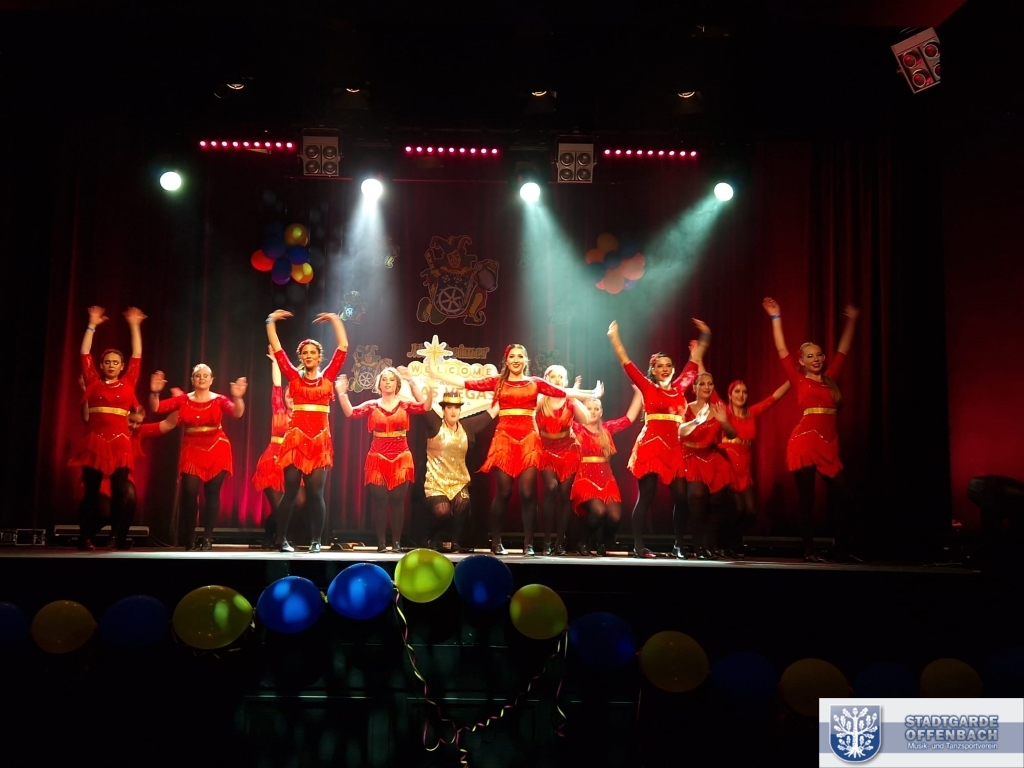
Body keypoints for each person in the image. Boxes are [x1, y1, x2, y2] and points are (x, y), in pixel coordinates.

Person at [426, 344, 601, 555]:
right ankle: (496, 541)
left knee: (527, 493)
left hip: (529, 440)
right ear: (506, 360)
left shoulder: (534, 382)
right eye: (512, 356)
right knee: (504, 491)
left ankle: (528, 544)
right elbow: (468, 383)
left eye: (520, 356)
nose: (516, 359)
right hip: (505, 440)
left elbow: (561, 391)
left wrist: (590, 393)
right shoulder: (498, 382)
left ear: (525, 360)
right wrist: (437, 373)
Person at [762, 297, 860, 562]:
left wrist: (852, 320)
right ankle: (809, 550)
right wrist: (776, 316)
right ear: (802, 361)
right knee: (807, 498)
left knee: (845, 498)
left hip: (829, 444)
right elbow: (781, 349)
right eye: (810, 356)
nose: (815, 359)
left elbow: (843, 349)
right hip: (804, 443)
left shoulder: (830, 379)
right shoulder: (798, 379)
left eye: (818, 355)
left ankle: (843, 549)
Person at [606, 319, 708, 559]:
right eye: (660, 366)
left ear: (673, 369)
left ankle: (679, 545)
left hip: (673, 449)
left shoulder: (680, 387)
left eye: (668, 365)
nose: (665, 369)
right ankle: (639, 546)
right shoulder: (647, 387)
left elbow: (694, 363)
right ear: (653, 370)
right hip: (650, 447)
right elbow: (626, 362)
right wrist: (614, 337)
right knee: (647, 495)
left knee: (681, 497)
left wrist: (705, 336)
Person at [265, 309, 348, 553]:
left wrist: (335, 320)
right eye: (305, 353)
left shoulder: (328, 377)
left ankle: (316, 541)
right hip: (295, 441)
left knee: (315, 493)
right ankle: (281, 539)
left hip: (320, 443)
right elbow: (278, 349)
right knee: (290, 492)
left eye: (313, 352)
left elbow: (343, 346)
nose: (309, 356)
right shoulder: (293, 377)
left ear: (320, 357)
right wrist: (270, 322)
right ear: (300, 357)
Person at [68, 305, 146, 550]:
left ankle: (117, 537)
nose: (111, 365)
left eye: (116, 362)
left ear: (122, 366)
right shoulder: (93, 381)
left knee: (120, 491)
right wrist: (91, 324)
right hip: (95, 441)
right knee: (91, 491)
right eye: (107, 362)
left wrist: (134, 326)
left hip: (120, 443)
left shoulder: (128, 383)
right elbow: (84, 353)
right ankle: (84, 537)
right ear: (101, 365)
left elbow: (137, 355)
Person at [149, 364, 247, 550]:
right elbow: (157, 408)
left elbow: (237, 412)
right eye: (197, 375)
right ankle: (190, 538)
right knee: (189, 493)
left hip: (217, 447)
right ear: (192, 380)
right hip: (192, 448)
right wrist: (154, 393)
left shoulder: (219, 399)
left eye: (205, 375)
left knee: (212, 493)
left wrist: (237, 397)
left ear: (211, 380)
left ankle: (207, 538)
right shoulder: (183, 400)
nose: (201, 378)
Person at [336, 366, 432, 552]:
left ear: (397, 384)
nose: (388, 383)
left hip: (401, 457)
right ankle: (381, 543)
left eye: (392, 379)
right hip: (377, 457)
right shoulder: (372, 405)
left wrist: (418, 386)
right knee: (379, 501)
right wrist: (342, 394)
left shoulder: (404, 404)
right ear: (379, 384)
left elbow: (424, 407)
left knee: (397, 501)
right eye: (384, 379)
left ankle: (396, 543)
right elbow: (351, 413)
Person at [417, 390, 499, 553]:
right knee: (442, 511)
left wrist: (505, 391)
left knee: (463, 504)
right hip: (436, 481)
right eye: (449, 407)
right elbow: (425, 408)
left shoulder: (466, 427)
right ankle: (433, 537)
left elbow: (490, 414)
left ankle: (455, 542)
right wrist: (423, 389)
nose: (453, 411)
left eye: (456, 408)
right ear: (443, 410)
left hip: (458, 481)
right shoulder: (435, 425)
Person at [717, 377, 790, 556]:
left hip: (744, 468)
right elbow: (710, 393)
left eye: (744, 392)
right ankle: (725, 545)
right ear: (730, 395)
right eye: (737, 391)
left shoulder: (752, 413)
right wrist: (699, 362)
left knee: (751, 511)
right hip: (728, 465)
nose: (741, 395)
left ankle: (731, 543)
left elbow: (774, 397)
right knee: (737, 509)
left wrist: (793, 378)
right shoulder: (724, 411)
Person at [570, 386, 644, 556]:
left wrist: (639, 393)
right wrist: (574, 392)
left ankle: (603, 542)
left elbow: (629, 418)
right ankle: (583, 541)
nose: (593, 412)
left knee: (615, 517)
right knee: (599, 512)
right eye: (589, 408)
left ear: (601, 412)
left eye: (596, 409)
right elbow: (564, 409)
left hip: (606, 480)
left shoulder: (607, 429)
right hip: (584, 478)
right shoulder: (576, 428)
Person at [679, 370, 738, 559]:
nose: (706, 387)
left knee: (716, 503)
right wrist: (697, 421)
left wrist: (725, 422)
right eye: (702, 384)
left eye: (710, 384)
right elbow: (679, 432)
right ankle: (698, 547)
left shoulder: (719, 409)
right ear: (694, 387)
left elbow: (732, 434)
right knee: (696, 497)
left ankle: (709, 546)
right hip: (691, 456)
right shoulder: (686, 407)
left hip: (713, 457)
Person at [251, 345, 302, 550]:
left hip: (294, 461)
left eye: (294, 394)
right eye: (288, 394)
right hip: (272, 462)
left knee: (297, 502)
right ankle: (279, 538)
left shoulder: (305, 415)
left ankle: (271, 530)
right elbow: (277, 386)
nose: (290, 396)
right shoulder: (278, 408)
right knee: (279, 504)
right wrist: (275, 363)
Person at [536, 365, 586, 555]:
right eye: (553, 376)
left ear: (565, 381)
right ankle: (547, 541)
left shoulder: (569, 401)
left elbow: (586, 419)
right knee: (551, 488)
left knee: (565, 495)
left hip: (568, 451)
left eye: (560, 377)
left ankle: (559, 542)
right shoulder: (540, 400)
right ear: (546, 379)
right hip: (546, 450)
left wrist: (575, 396)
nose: (557, 380)